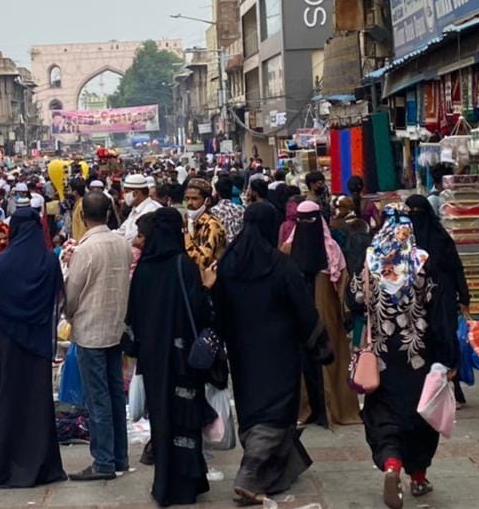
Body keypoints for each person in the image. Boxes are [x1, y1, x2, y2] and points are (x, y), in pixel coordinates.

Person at [214, 202, 333, 505]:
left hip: (242, 351)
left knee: (252, 408)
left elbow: (218, 307)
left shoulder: (229, 263)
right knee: (277, 411)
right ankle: (249, 474)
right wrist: (320, 344)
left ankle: (274, 472)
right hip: (279, 351)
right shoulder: (281, 265)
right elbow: (303, 308)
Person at [348, 206, 459, 508]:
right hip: (418, 360)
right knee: (420, 419)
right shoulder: (421, 265)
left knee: (382, 416)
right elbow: (439, 315)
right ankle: (419, 477)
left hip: (382, 361)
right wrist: (448, 358)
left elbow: (354, 299)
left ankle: (391, 465)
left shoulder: (371, 265)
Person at [124, 208, 211, 507]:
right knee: (186, 418)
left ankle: (164, 484)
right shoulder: (182, 264)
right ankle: (188, 482)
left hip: (154, 359)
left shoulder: (145, 269)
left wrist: (137, 350)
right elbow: (198, 310)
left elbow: (132, 315)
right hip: (183, 358)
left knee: (161, 418)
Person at [0, 207, 68, 487]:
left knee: (5, 404)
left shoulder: (1, 263)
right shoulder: (49, 262)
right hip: (38, 343)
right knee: (36, 405)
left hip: (6, 344)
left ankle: (5, 468)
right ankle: (42, 467)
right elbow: (58, 299)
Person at [63, 191, 133, 481]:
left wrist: (69, 316)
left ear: (82, 216)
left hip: (91, 330)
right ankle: (119, 456)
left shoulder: (86, 250)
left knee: (98, 398)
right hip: (115, 326)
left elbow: (72, 294)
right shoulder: (122, 243)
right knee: (115, 394)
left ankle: (103, 461)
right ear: (108, 213)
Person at [281, 201, 358, 428]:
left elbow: (343, 283)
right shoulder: (324, 249)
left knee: (328, 355)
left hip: (323, 314)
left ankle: (331, 408)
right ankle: (309, 408)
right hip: (309, 315)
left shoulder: (330, 250)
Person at [404, 194, 470, 405]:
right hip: (417, 297)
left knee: (445, 338)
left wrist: (464, 297)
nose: (414, 217)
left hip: (443, 294)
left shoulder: (441, 239)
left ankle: (452, 388)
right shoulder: (405, 239)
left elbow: (456, 267)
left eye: (417, 212)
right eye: (410, 212)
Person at [183, 178, 226, 278]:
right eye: (187, 199)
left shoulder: (212, 225)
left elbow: (202, 261)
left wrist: (185, 234)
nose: (189, 203)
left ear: (207, 201)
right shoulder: (192, 222)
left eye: (195, 199)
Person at [117, 174, 162, 244]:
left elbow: (132, 239)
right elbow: (121, 231)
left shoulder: (152, 210)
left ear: (136, 193)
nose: (124, 195)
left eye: (126, 192)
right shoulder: (135, 210)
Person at [209, 176, 243, 243]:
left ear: (217, 192)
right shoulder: (241, 209)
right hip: (238, 248)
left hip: (222, 249)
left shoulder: (213, 211)